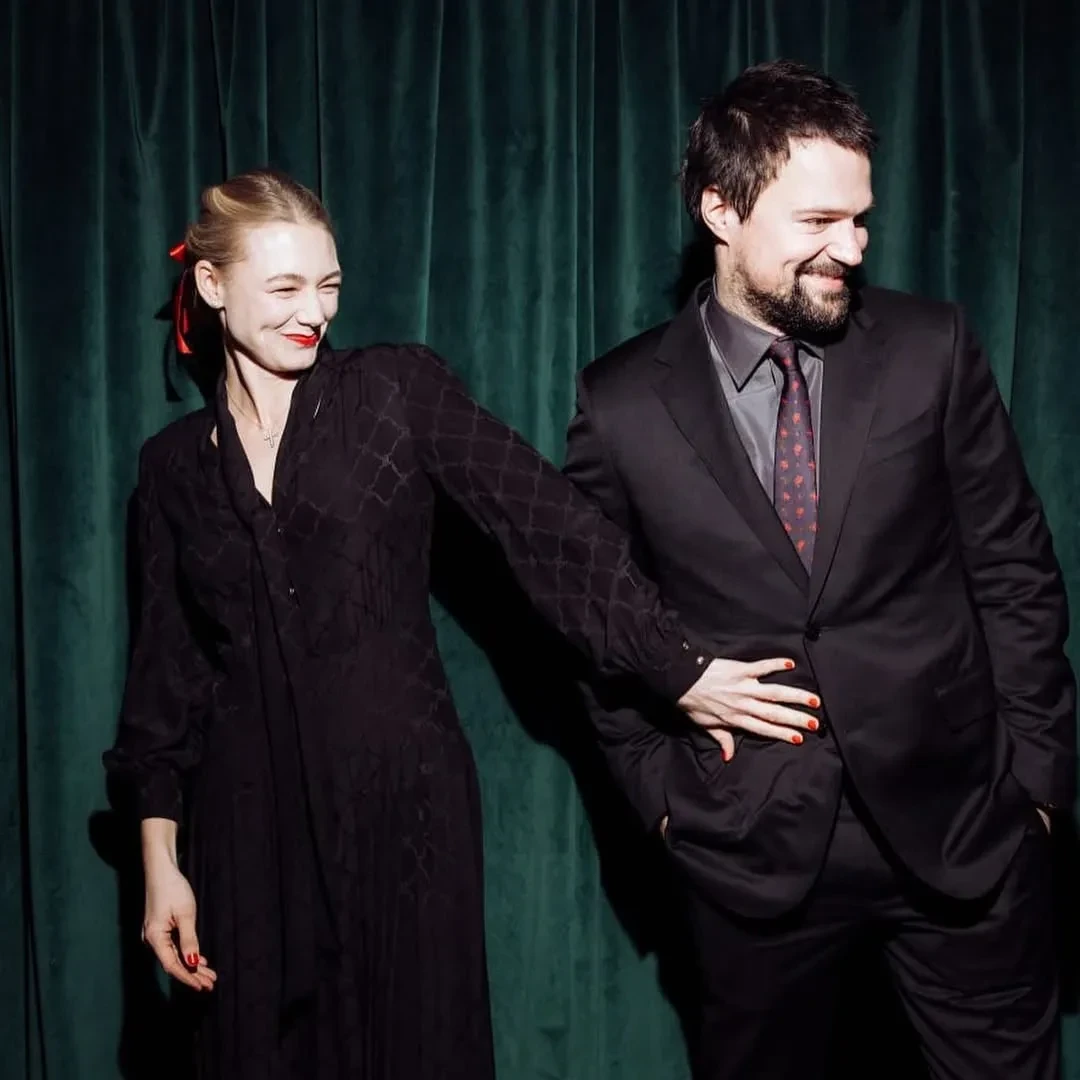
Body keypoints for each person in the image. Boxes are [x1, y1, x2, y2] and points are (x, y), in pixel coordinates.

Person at [102, 168, 817, 1080]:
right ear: (211, 284)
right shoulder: (170, 469)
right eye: (284, 288)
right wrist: (161, 863)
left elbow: (545, 525)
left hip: (404, 807)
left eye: (328, 286)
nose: (313, 313)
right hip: (244, 831)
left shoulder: (393, 392)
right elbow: (165, 685)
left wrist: (676, 665)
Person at [563, 59, 1076, 1080]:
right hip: (749, 845)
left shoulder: (932, 349)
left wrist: (1038, 786)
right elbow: (596, 622)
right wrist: (660, 795)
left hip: (963, 828)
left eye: (862, 220)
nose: (852, 247)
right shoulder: (618, 405)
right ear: (721, 209)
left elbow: (1014, 566)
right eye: (818, 221)